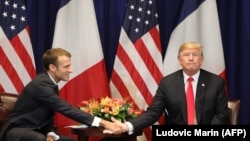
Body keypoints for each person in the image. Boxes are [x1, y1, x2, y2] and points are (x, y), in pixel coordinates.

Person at [0, 48, 122, 141]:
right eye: (66, 66)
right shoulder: (42, 85)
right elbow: (66, 109)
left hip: (40, 131)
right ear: (52, 67)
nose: (71, 70)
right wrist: (104, 122)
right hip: (17, 131)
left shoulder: (50, 83)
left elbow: (47, 115)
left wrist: (50, 133)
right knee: (38, 139)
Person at [110, 42, 229, 135]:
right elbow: (154, 112)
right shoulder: (167, 83)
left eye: (195, 54)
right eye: (186, 55)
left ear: (201, 60)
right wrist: (128, 126)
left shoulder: (216, 82)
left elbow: (221, 115)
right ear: (179, 60)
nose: (191, 58)